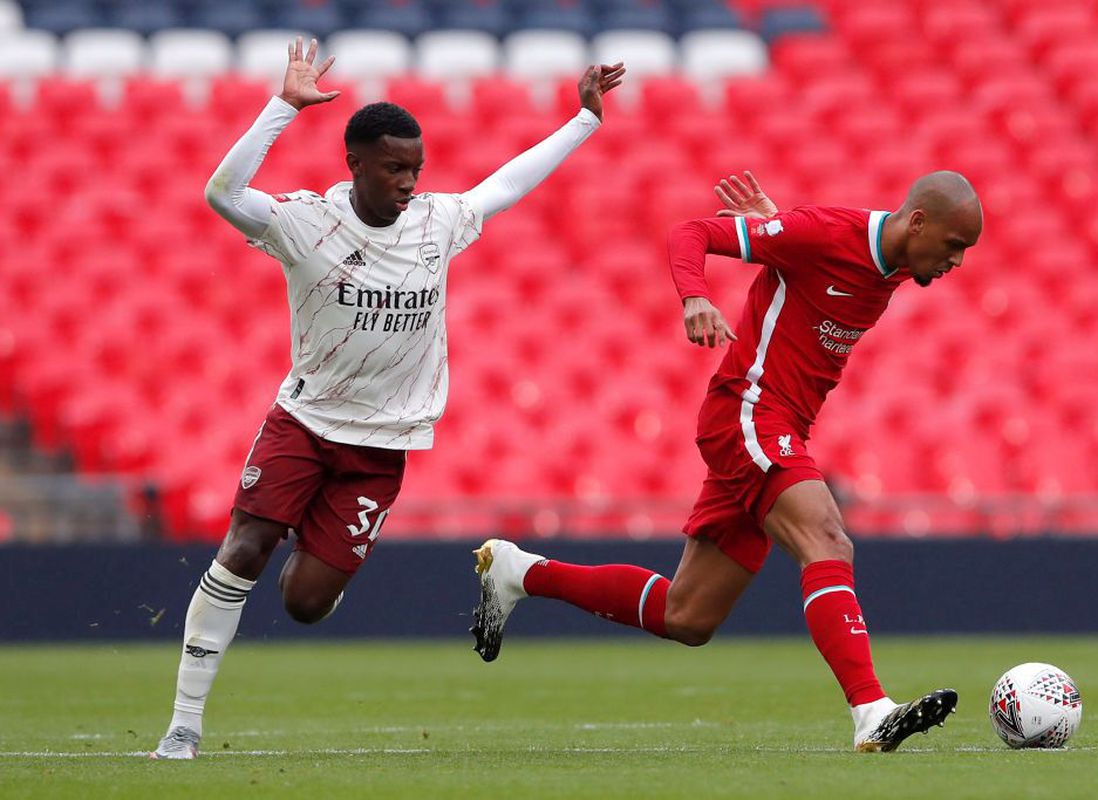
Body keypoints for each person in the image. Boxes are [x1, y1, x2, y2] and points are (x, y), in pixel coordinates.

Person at [151, 38, 624, 760]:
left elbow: (506, 184)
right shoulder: (305, 224)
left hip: (382, 445)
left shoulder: (438, 222)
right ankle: (184, 725)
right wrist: (283, 107)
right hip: (304, 422)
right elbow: (221, 194)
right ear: (356, 164)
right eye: (394, 168)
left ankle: (317, 557)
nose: (408, 182)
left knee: (305, 604)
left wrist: (584, 120)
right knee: (244, 547)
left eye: (415, 169)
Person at [472, 170, 984, 752]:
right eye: (953, 244)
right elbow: (689, 233)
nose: (957, 261)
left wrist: (778, 232)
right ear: (917, 222)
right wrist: (696, 295)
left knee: (687, 615)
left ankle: (516, 572)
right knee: (827, 539)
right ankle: (871, 709)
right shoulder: (825, 235)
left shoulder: (893, 261)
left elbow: (808, 269)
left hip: (777, 427)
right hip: (750, 412)